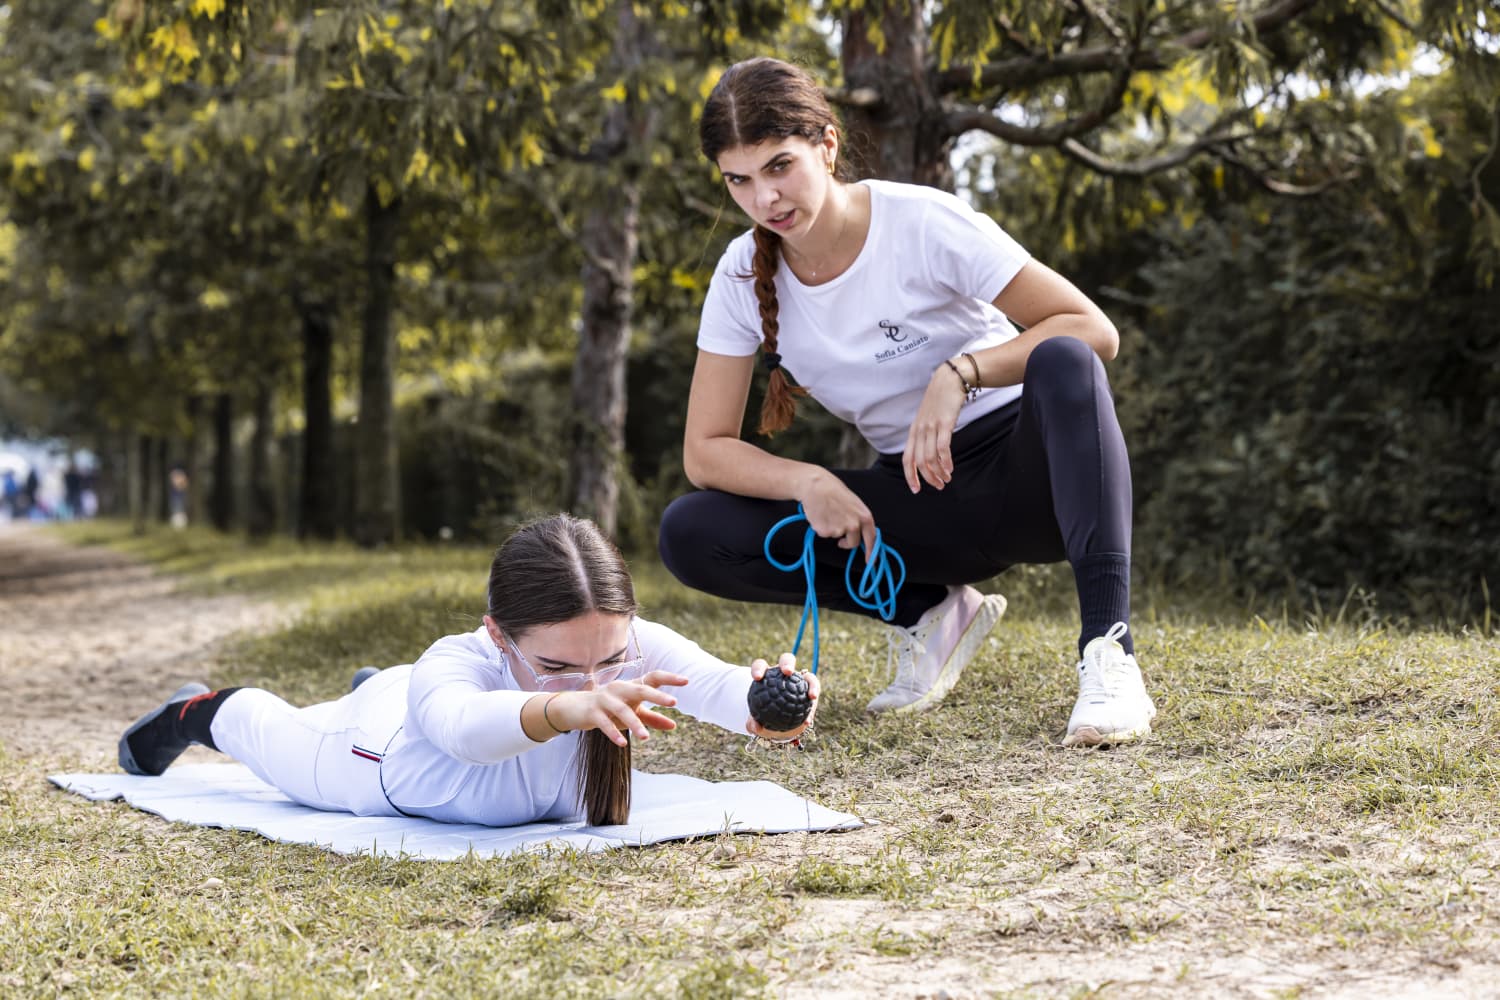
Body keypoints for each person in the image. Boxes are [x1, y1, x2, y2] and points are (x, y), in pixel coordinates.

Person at [656, 57, 1155, 746]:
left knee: (1064, 359)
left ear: (826, 145)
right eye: (738, 180)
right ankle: (928, 609)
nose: (764, 199)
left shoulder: (920, 221)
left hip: (1031, 477)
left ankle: (1110, 653)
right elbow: (705, 451)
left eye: (779, 166)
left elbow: (1093, 330)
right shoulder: (742, 274)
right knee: (691, 532)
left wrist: (961, 373)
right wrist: (809, 482)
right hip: (920, 500)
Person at [118, 514, 817, 827]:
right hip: (370, 756)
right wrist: (563, 711)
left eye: (611, 658)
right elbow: (461, 731)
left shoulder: (631, 644)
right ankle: (193, 710)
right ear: (498, 635)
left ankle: (369, 685)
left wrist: (771, 703)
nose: (594, 684)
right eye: (555, 665)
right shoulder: (456, 663)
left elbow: (723, 692)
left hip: (410, 708)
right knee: (252, 722)